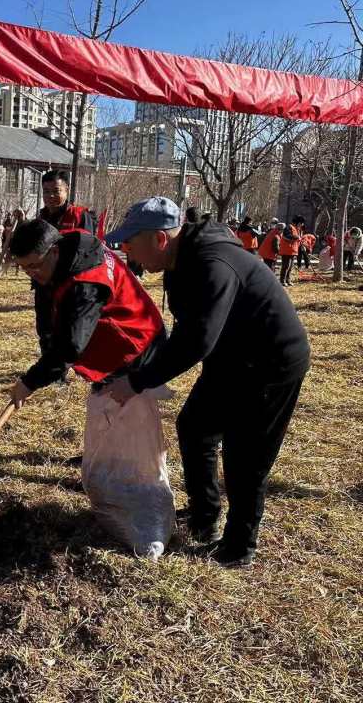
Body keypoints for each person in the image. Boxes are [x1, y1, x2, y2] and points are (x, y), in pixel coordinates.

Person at [104, 197, 310, 568]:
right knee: (195, 427)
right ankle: (204, 516)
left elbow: (198, 340)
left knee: (245, 456)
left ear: (160, 239)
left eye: (131, 241)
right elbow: (183, 332)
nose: (126, 250)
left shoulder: (213, 263)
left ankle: (238, 547)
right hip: (231, 358)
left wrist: (138, 383)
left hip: (271, 362)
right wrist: (140, 368)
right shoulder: (177, 263)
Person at [6, 221, 166, 409]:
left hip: (137, 344)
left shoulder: (85, 282)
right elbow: (45, 314)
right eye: (24, 268)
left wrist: (30, 382)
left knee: (124, 417)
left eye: (34, 265)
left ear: (54, 252)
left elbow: (70, 347)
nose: (31, 273)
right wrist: (47, 357)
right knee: (106, 417)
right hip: (111, 342)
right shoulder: (56, 251)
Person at [39, 170, 96, 234]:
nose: (51, 196)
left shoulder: (79, 216)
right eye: (46, 191)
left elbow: (89, 242)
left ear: (67, 191)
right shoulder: (41, 218)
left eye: (56, 191)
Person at [278, 216, 303, 287]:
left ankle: (288, 280)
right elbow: (287, 236)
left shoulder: (296, 229)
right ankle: (282, 281)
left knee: (290, 267)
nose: (302, 225)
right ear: (298, 222)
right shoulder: (289, 227)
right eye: (301, 223)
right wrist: (297, 237)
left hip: (292, 251)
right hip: (287, 250)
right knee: (286, 266)